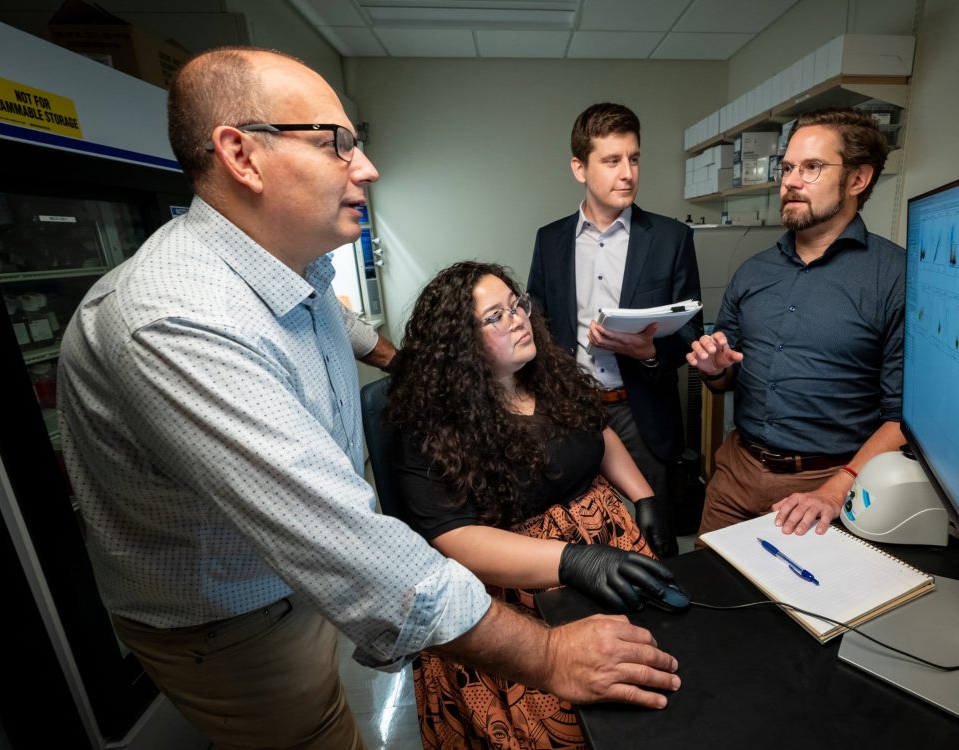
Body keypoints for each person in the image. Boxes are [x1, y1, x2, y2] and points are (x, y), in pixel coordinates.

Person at [56, 46, 679, 750]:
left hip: (301, 577)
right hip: (235, 615)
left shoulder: (303, 270)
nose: (367, 168)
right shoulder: (177, 320)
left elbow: (353, 334)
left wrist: (415, 366)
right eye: (337, 144)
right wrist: (547, 653)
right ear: (241, 154)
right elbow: (339, 541)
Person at [387, 261, 679, 749]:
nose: (519, 318)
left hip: (606, 558)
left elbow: (597, 432)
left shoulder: (549, 376)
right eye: (496, 316)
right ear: (459, 343)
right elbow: (454, 537)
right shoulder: (428, 426)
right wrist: (573, 559)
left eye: (517, 305)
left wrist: (643, 496)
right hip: (519, 603)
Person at [687, 107, 905, 538]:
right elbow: (724, 377)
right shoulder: (752, 271)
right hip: (735, 474)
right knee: (707, 596)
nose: (789, 181)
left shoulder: (894, 277)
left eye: (812, 168)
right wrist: (715, 369)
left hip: (822, 489)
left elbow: (902, 419)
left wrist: (835, 488)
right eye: (787, 168)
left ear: (858, 180)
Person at [528, 103, 702, 555]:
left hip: (641, 411)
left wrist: (647, 352)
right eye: (612, 161)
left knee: (658, 540)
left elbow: (690, 333)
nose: (628, 173)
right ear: (578, 167)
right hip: (572, 411)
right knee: (583, 530)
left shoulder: (671, 239)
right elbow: (539, 325)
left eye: (635, 158)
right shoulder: (550, 240)